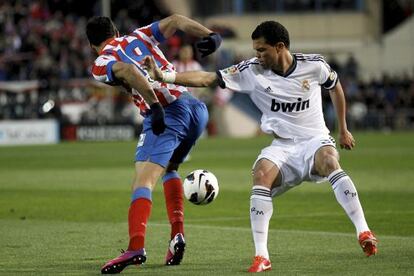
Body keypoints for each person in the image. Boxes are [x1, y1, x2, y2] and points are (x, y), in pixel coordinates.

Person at [144, 20, 378, 273]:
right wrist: (164, 76)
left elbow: (335, 87)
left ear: (280, 47)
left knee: (330, 161)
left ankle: (363, 231)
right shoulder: (250, 71)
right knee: (261, 175)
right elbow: (207, 78)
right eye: (255, 50)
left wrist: (343, 129)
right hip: (282, 146)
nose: (257, 56)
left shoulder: (315, 65)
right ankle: (262, 256)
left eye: (262, 50)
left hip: (315, 140)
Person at [85, 14, 222, 274]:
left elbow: (128, 70)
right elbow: (176, 20)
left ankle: (136, 247)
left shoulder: (101, 62)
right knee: (170, 168)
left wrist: (155, 105)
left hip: (168, 112)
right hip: (195, 108)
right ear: (115, 30)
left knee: (143, 181)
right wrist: (210, 34)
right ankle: (177, 236)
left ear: (92, 45)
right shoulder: (139, 35)